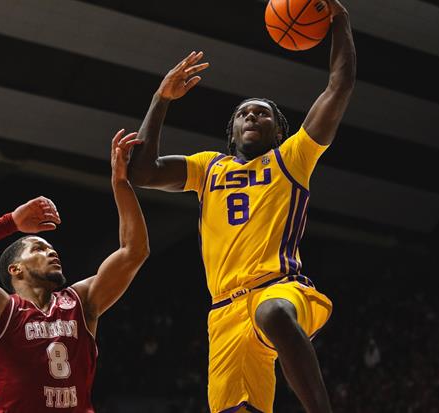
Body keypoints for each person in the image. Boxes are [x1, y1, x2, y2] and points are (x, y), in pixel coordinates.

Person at [127, 1, 356, 411]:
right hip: (226, 312)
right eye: (243, 114)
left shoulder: (292, 159)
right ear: (231, 131)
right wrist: (162, 97)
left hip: (282, 289)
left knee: (273, 314)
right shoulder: (208, 167)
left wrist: (341, 21)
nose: (251, 116)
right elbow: (141, 172)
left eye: (262, 114)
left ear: (278, 130)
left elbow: (338, 86)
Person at [0, 130, 148, 412]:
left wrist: (120, 183)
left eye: (50, 249)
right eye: (38, 248)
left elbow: (134, 252)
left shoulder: (81, 302)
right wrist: (10, 222)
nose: (51, 252)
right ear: (15, 269)